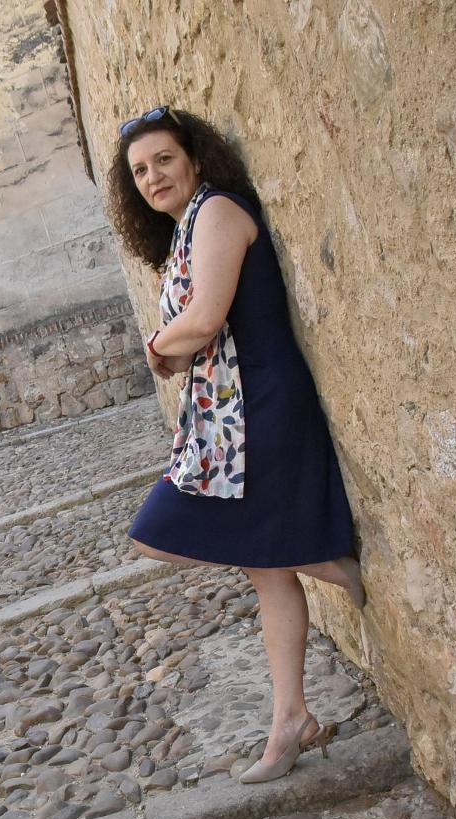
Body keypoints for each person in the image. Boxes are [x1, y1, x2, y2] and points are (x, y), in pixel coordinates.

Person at [110, 107, 366, 784]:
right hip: (227, 413)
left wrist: (159, 345)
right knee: (264, 570)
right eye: (139, 170)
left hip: (261, 405)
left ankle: (321, 555)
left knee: (156, 531)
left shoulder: (218, 211)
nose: (153, 176)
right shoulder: (184, 230)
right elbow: (193, 330)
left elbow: (205, 319)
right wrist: (174, 347)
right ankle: (291, 721)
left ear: (194, 156)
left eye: (164, 159)